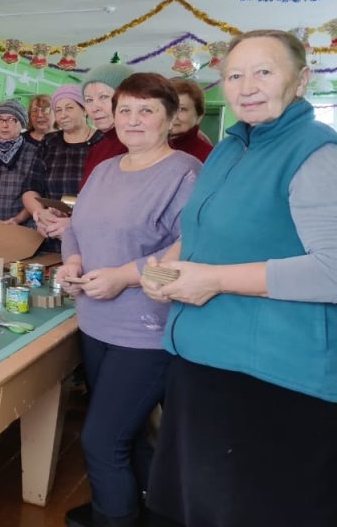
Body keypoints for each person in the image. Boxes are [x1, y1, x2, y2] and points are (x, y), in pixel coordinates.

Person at [141, 31, 337, 527]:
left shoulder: (316, 153)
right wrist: (163, 266)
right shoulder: (230, 147)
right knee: (195, 507)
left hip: (270, 377)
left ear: (301, 80)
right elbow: (199, 228)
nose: (247, 87)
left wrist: (215, 280)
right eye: (234, 75)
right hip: (202, 361)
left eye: (263, 72)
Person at [56, 73, 202, 527]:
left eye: (147, 110)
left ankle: (113, 516)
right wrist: (72, 261)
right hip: (94, 322)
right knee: (128, 433)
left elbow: (189, 251)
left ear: (170, 118)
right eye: (126, 110)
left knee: (101, 440)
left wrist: (124, 277)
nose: (133, 120)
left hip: (147, 332)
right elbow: (76, 225)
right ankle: (143, 511)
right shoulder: (105, 169)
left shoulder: (185, 173)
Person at [24, 83, 102, 242]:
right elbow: (30, 189)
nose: (63, 115)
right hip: (50, 234)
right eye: (58, 110)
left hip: (91, 238)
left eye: (69, 108)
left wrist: (74, 222)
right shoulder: (49, 142)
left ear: (85, 110)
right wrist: (40, 214)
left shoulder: (103, 142)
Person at [79, 63, 135, 188]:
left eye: (103, 97)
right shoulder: (97, 148)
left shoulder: (139, 146)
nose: (95, 108)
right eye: (89, 100)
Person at [167, 77, 213, 162]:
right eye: (168, 108)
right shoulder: (144, 148)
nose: (174, 116)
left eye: (181, 109)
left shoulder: (209, 157)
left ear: (199, 116)